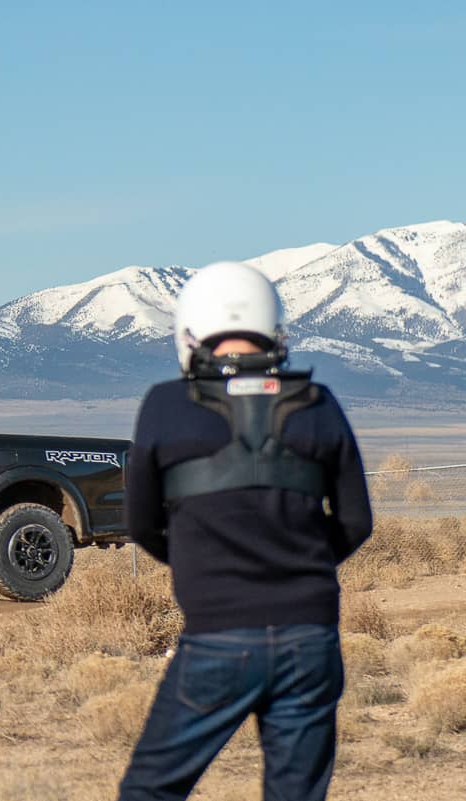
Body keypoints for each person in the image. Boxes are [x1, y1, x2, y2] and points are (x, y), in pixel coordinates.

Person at [118, 262, 373, 801]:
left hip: (217, 637)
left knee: (150, 791)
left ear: (189, 333)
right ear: (274, 329)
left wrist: (206, 565)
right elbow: (355, 521)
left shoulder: (165, 405)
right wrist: (295, 565)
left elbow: (141, 524)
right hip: (310, 640)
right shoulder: (318, 404)